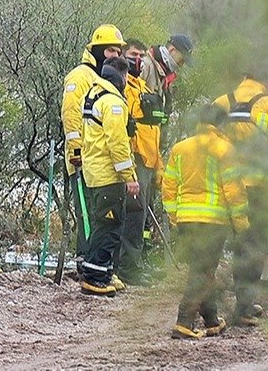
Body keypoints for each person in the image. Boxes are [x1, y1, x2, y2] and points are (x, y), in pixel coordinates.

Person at [162, 105, 250, 339]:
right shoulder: (224, 149)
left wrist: (174, 217)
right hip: (212, 222)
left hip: (185, 221)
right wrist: (240, 223)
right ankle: (184, 321)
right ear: (220, 125)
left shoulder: (179, 148)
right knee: (203, 271)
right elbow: (233, 190)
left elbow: (168, 187)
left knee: (201, 269)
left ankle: (211, 320)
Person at [213, 71, 268, 326]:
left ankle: (210, 306)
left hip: (225, 185)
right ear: (266, 80)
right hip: (258, 188)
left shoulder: (221, 102)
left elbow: (204, 142)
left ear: (244, 76)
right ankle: (243, 306)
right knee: (254, 245)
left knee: (226, 244)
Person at [61, 25, 126, 262]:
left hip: (98, 164)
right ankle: (85, 261)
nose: (115, 56)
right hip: (82, 161)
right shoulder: (81, 76)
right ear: (97, 50)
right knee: (87, 215)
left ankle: (98, 263)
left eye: (118, 52)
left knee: (101, 216)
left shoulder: (102, 78)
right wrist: (75, 150)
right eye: (110, 50)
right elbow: (70, 115)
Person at [79, 57, 140, 297]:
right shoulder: (113, 101)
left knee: (101, 224)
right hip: (108, 175)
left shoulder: (92, 95)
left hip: (93, 172)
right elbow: (117, 143)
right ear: (121, 76)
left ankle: (102, 272)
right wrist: (129, 176)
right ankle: (95, 278)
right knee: (110, 227)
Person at [139, 33, 193, 251]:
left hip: (152, 149)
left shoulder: (165, 75)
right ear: (172, 51)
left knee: (147, 202)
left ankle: (143, 253)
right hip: (139, 148)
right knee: (137, 204)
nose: (181, 65)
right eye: (181, 59)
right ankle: (131, 261)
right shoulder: (146, 66)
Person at [117, 39, 163, 285]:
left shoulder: (144, 87)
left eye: (142, 55)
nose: (138, 60)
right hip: (133, 158)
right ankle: (128, 267)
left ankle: (138, 261)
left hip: (148, 158)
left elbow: (153, 128)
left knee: (142, 215)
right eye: (134, 55)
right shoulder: (122, 88)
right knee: (132, 215)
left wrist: (159, 164)